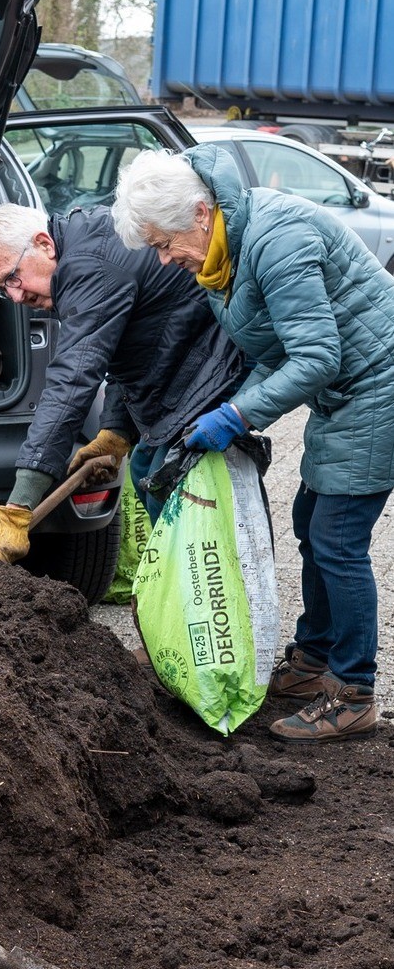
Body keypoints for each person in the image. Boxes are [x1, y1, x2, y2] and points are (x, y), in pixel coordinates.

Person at [112, 143, 394, 742]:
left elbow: (317, 356)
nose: (164, 260)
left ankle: (355, 691)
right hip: (347, 394)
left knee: (336, 539)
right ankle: (313, 662)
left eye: (165, 244)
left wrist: (237, 414)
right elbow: (279, 355)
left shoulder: (276, 239)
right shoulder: (224, 254)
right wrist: (228, 407)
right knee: (310, 518)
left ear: (198, 212)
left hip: (379, 387)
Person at [0, 201, 243, 560]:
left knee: (170, 484)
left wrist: (19, 504)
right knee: (146, 467)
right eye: (4, 289)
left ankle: (206, 592)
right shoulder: (82, 247)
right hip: (183, 356)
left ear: (44, 245)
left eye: (12, 277)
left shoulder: (87, 267)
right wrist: (116, 430)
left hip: (213, 361)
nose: (17, 297)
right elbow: (126, 350)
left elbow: (74, 379)